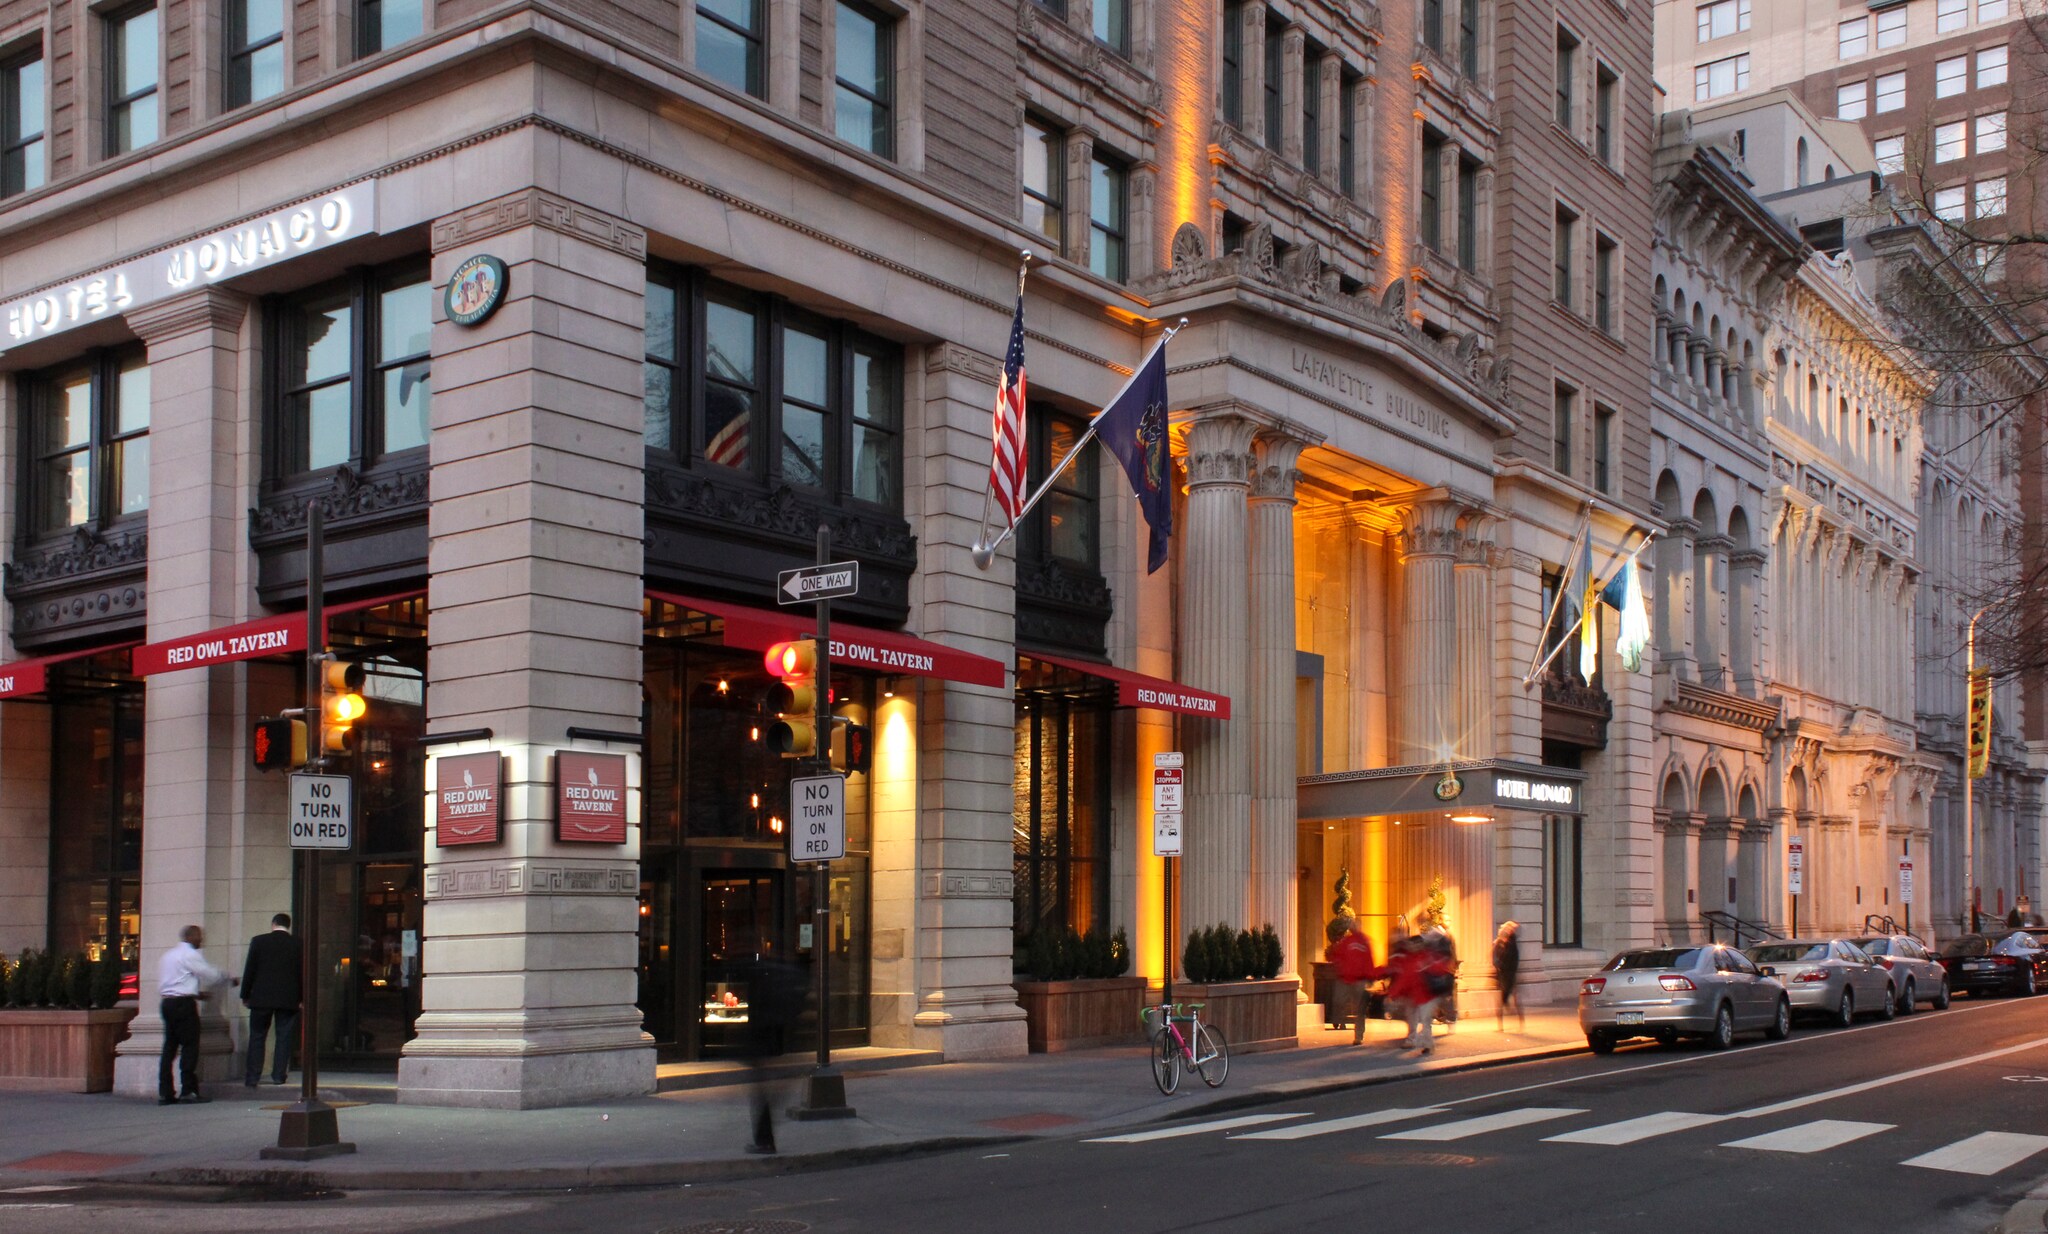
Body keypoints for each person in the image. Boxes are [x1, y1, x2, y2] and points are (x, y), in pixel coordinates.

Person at [739, 953, 809, 1154]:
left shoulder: (768, 985)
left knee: (764, 1096)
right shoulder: (782, 982)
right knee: (766, 1096)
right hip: (771, 1048)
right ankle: (765, 1140)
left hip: (766, 1049)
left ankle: (765, 1141)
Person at [158, 925, 233, 1106]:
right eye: (199, 936)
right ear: (190, 937)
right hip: (184, 1006)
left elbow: (175, 983)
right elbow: (209, 974)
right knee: (190, 1046)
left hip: (167, 1004)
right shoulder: (189, 954)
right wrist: (227, 978)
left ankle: (165, 1092)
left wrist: (197, 994)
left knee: (169, 1048)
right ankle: (188, 1091)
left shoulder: (168, 956)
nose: (202, 940)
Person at [241, 913, 302, 1088]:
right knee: (283, 1037)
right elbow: (302, 973)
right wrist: (302, 997)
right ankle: (279, 1075)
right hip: (288, 998)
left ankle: (253, 1076)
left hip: (261, 997)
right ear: (288, 926)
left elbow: (250, 970)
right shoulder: (298, 944)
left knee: (257, 1036)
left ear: (273, 924)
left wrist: (245, 994)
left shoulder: (259, 941)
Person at [1326, 917, 1377, 1045]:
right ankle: (1339, 1020)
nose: (1353, 926)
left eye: (1355, 924)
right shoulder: (1346, 941)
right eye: (1352, 924)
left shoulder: (1365, 941)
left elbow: (1369, 959)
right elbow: (1338, 956)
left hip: (1359, 980)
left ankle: (1358, 1035)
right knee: (1338, 1001)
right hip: (1344, 978)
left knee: (1359, 1008)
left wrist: (1370, 976)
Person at [1493, 921, 1523, 1032]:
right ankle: (1503, 1025)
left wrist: (1500, 966)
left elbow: (1510, 959)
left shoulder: (1510, 942)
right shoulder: (1504, 942)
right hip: (1505, 974)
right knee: (1505, 1000)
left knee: (1507, 999)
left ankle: (1515, 1023)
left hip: (1507, 974)